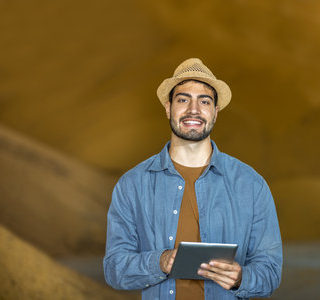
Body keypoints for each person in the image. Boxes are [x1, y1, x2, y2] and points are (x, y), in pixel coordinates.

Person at [103, 58, 282, 299]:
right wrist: (161, 261)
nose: (193, 110)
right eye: (183, 99)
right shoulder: (132, 185)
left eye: (204, 101)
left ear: (215, 112)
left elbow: (270, 272)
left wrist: (242, 278)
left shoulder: (252, 185)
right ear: (168, 108)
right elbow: (114, 269)